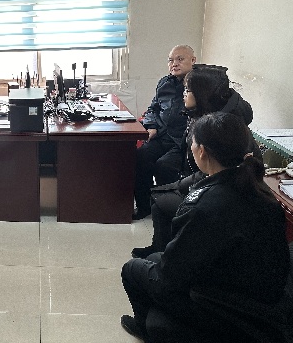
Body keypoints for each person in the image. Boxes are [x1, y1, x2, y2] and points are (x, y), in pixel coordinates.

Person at [120, 112, 290, 341]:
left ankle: (148, 331)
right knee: (154, 258)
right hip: (259, 296)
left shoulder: (204, 206)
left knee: (132, 269)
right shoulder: (261, 190)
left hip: (223, 308)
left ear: (201, 151)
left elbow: (169, 278)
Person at [131, 64, 255, 258]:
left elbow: (218, 172)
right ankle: (161, 247)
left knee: (163, 201)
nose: (183, 95)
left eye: (187, 90)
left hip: (223, 189)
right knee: (160, 193)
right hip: (208, 177)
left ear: (202, 93)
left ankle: (169, 252)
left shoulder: (220, 125)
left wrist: (184, 188)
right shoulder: (202, 111)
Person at [133, 45, 196, 220]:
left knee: (164, 166)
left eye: (180, 59)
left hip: (183, 140)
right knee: (140, 156)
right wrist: (151, 125)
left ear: (193, 60)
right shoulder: (164, 83)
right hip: (162, 135)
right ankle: (144, 206)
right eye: (171, 60)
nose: (174, 64)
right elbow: (152, 108)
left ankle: (166, 211)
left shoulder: (198, 84)